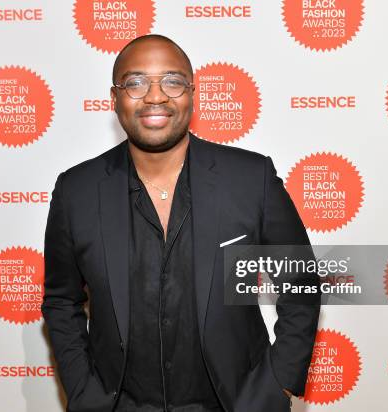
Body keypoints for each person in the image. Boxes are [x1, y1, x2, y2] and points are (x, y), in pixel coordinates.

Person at [42, 34, 320, 412]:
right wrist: (83, 392)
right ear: (114, 98)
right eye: (136, 82)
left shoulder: (251, 178)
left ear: (192, 93)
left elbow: (301, 282)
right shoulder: (76, 190)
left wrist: (277, 384)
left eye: (171, 81)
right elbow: (61, 301)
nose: (155, 96)